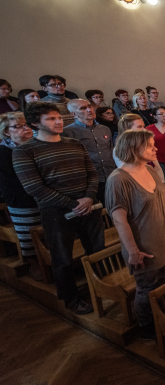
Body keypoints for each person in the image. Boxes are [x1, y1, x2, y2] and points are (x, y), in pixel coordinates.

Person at [14, 101, 104, 314]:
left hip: (87, 205)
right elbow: (34, 187)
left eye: (59, 118)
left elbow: (92, 173)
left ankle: (102, 289)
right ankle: (71, 298)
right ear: (36, 123)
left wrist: (88, 198)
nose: (58, 122)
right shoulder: (25, 151)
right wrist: (74, 204)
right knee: (62, 258)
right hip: (56, 211)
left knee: (97, 251)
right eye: (51, 119)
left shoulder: (74, 143)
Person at [106, 129, 165, 337]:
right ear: (132, 149)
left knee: (163, 285)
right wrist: (133, 252)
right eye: (149, 145)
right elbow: (119, 220)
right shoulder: (118, 179)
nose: (155, 148)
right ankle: (146, 327)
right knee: (147, 290)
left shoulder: (150, 169)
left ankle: (163, 321)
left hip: (162, 240)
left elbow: (162, 197)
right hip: (143, 248)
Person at [0, 112, 42, 278]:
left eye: (26, 124)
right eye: (19, 126)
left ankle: (49, 260)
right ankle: (34, 264)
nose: (26, 128)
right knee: (29, 231)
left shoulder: (37, 144)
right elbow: (14, 177)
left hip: (41, 195)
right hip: (21, 198)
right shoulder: (3, 151)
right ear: (6, 132)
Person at [62, 99, 117, 203]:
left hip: (110, 175)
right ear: (73, 114)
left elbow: (110, 151)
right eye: (83, 108)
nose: (89, 109)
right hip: (89, 180)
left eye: (89, 106)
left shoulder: (104, 129)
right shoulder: (68, 132)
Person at [114, 114, 165, 184]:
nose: (144, 129)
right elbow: (128, 173)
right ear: (128, 130)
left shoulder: (145, 144)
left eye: (143, 126)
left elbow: (156, 167)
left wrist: (161, 182)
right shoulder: (120, 149)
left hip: (154, 181)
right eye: (139, 127)